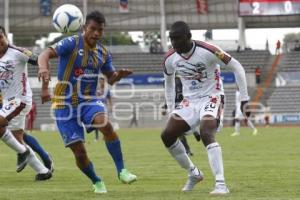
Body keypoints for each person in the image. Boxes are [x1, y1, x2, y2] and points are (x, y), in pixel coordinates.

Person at [37, 11, 137, 194]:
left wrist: (118, 76)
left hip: (89, 99)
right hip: (64, 104)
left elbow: (110, 78)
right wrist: (43, 69)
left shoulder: (103, 52)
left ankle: (122, 171)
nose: (96, 33)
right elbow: (44, 53)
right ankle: (96, 180)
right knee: (80, 153)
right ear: (84, 28)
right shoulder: (72, 43)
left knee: (105, 125)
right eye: (93, 29)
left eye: (100, 30)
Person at [161, 21, 250, 195]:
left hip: (212, 96)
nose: (174, 44)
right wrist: (172, 109)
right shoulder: (170, 58)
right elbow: (169, 83)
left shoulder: (209, 50)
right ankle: (194, 173)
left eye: (178, 39)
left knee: (206, 132)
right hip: (190, 101)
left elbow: (237, 67)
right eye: (171, 39)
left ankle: (221, 184)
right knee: (167, 135)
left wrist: (245, 99)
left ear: (189, 37)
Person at [0, 26, 52, 180]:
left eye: (1, 37)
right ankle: (43, 171)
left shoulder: (17, 52)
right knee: (17, 140)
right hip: (9, 102)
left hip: (20, 100)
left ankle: (23, 152)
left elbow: (42, 59)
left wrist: (44, 89)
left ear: (5, 37)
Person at [0, 95, 54, 172]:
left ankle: (43, 166)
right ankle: (44, 161)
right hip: (10, 102)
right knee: (20, 135)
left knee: (18, 136)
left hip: (10, 103)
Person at [162, 76, 201, 156]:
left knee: (178, 131)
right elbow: (168, 94)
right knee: (179, 130)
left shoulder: (177, 80)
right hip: (182, 105)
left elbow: (169, 94)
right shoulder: (180, 79)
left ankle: (188, 147)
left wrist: (165, 107)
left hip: (180, 106)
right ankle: (195, 131)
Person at [94, 77, 113, 141]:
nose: (100, 82)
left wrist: (111, 106)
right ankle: (96, 137)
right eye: (100, 81)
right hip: (97, 106)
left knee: (105, 122)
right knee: (96, 122)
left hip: (104, 106)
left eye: (102, 81)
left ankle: (105, 136)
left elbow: (109, 98)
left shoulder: (106, 90)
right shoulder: (97, 89)